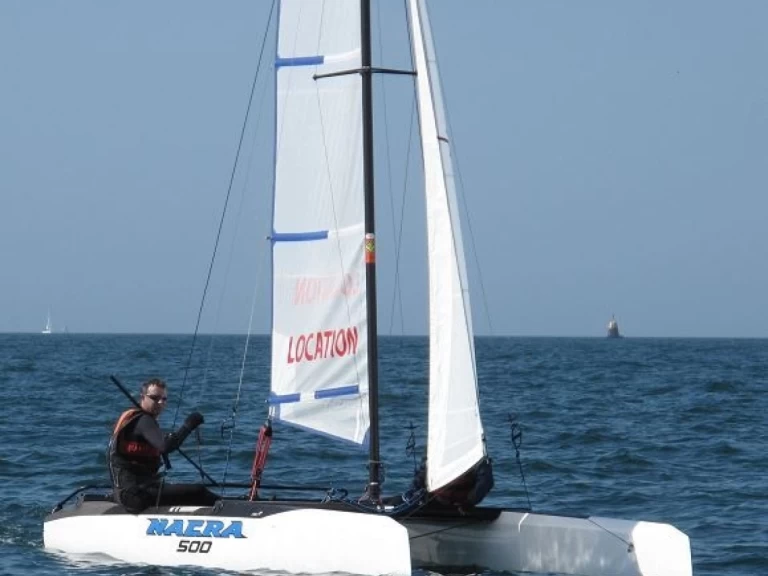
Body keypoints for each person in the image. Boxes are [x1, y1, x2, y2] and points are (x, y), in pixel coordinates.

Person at [107, 378, 219, 512]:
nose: (160, 402)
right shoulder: (144, 420)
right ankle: (231, 509)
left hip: (128, 492)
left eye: (164, 399)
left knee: (188, 491)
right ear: (142, 397)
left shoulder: (134, 419)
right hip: (136, 495)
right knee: (198, 491)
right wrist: (189, 424)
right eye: (155, 398)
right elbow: (165, 446)